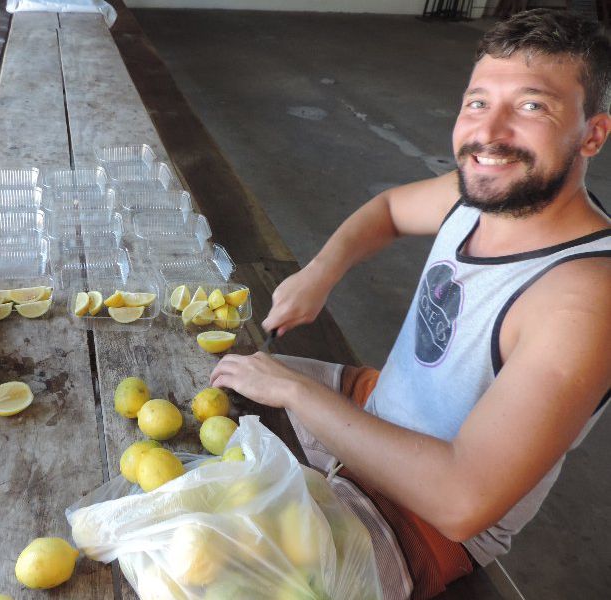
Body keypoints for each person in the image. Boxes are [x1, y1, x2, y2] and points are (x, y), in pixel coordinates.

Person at [210, 9, 610, 600]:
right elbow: (391, 210)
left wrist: (296, 392)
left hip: (418, 518)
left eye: (532, 107)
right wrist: (321, 273)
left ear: (593, 134)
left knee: (209, 570)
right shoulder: (482, 193)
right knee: (201, 383)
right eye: (477, 102)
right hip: (373, 404)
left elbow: (460, 500)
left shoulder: (584, 297)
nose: (489, 133)